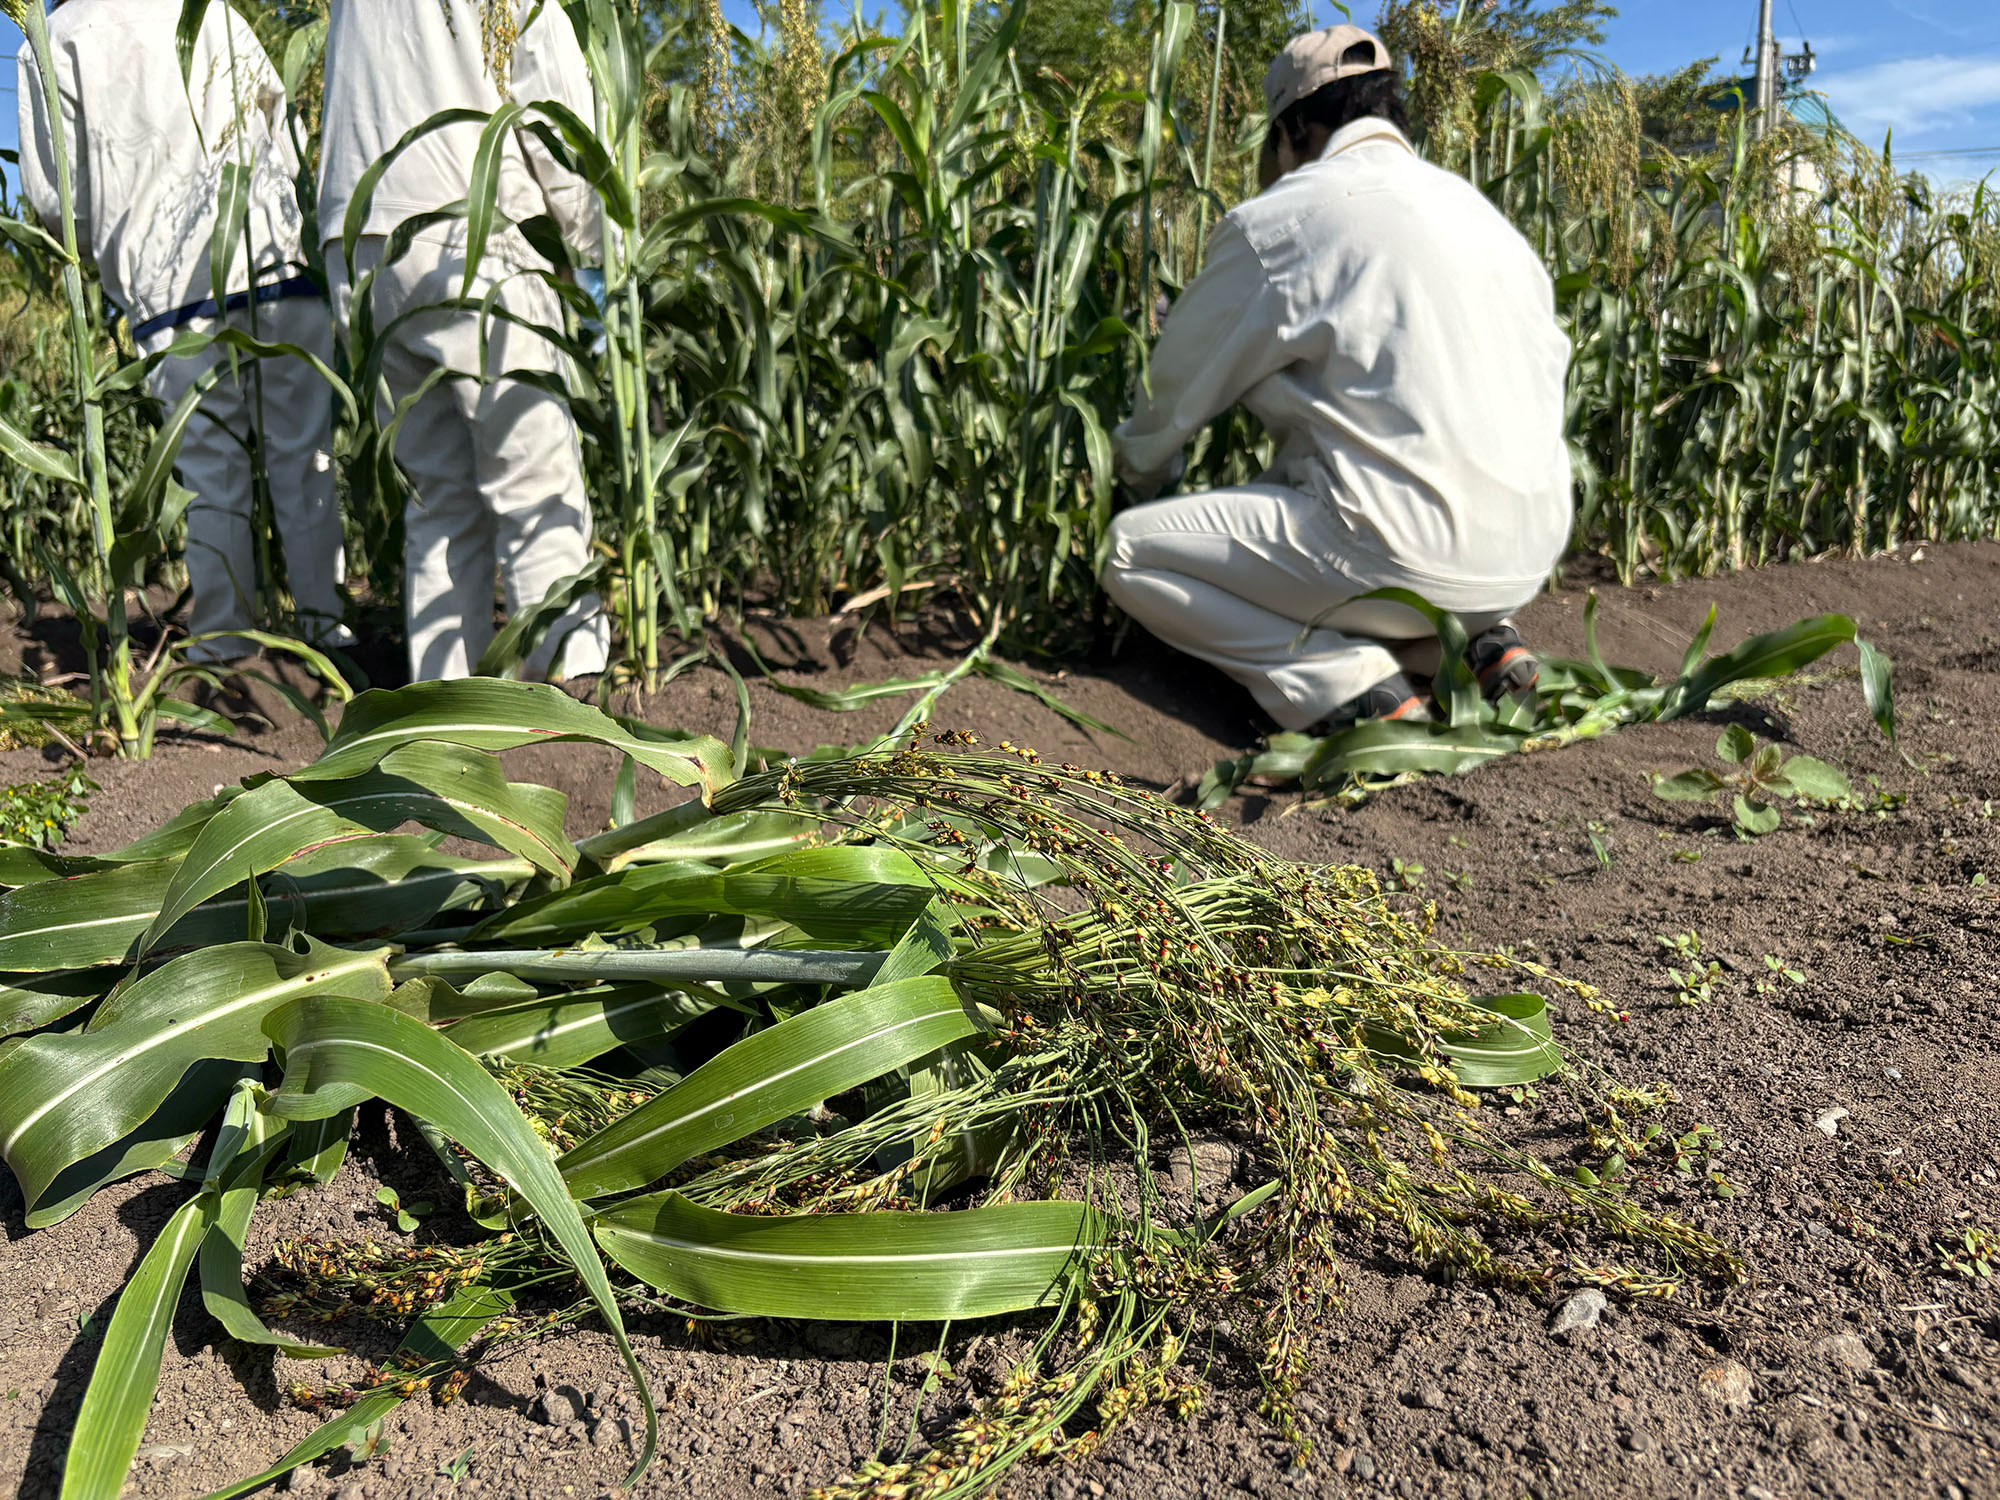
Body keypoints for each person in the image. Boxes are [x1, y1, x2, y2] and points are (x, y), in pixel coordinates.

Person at [1102, 25, 1571, 732]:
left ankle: (1348, 686)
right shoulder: (1485, 219)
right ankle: (1475, 647)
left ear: (1293, 128)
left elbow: (1174, 392)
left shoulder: (1287, 219)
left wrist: (1134, 474)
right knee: (1323, 516)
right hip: (1525, 556)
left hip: (1395, 556)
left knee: (1131, 552)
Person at [15, 0, 349, 663]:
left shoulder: (51, 42)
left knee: (209, 473)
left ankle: (225, 643)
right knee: (304, 456)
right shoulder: (208, 8)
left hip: (172, 291)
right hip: (278, 260)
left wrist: (104, 250)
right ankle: (324, 635)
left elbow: (55, 201)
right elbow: (277, 118)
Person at [318, 0, 609, 683]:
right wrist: (592, 237)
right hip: (471, 218)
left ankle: (446, 715)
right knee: (536, 484)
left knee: (440, 497)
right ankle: (574, 705)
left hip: (360, 235)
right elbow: (548, 91)